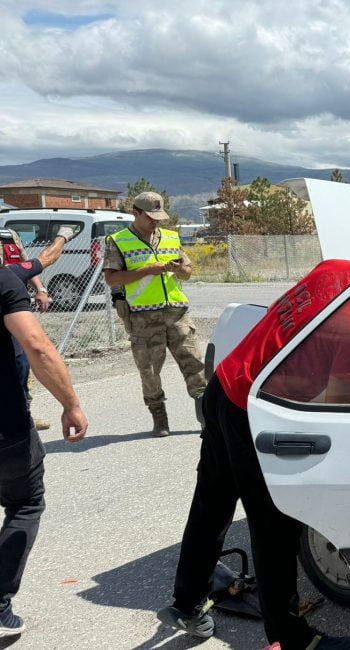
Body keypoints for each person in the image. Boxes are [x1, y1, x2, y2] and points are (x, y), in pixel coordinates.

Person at [158, 240, 350, 650]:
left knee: (212, 499)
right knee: (275, 524)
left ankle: (186, 603)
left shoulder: (340, 268)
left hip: (226, 383)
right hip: (252, 410)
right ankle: (291, 639)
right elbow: (332, 408)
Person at [0, 264, 88, 637]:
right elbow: (37, 344)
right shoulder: (2, 279)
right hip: (6, 426)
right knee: (26, 503)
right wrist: (70, 404)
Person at [102, 192, 206, 437]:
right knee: (149, 370)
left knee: (195, 366)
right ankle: (159, 418)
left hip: (177, 313)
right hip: (143, 317)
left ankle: (206, 418)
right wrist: (147, 270)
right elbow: (111, 278)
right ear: (135, 212)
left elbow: (188, 272)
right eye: (150, 217)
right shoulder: (118, 241)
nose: (156, 222)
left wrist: (180, 269)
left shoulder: (171, 237)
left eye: (159, 217)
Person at [4, 226, 76, 431]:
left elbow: (28, 264)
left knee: (21, 366)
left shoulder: (9, 237)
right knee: (20, 361)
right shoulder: (6, 276)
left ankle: (25, 413)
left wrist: (41, 289)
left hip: (14, 311)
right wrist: (63, 236)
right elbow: (39, 347)